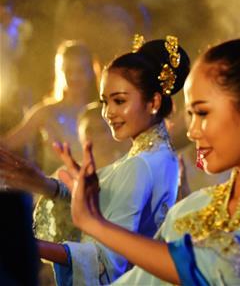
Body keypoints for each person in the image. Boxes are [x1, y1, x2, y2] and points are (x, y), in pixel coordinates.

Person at [66, 22, 240, 285]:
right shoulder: (190, 210)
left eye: (202, 113)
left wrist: (96, 223)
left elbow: (214, 269)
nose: (191, 132)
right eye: (190, 115)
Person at [2, 37, 187, 285]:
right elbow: (105, 197)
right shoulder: (157, 155)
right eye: (105, 102)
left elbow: (105, 261)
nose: (108, 113)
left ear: (153, 102)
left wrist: (22, 243)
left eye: (119, 101)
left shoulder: (139, 165)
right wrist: (48, 186)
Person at [2, 40, 96, 171]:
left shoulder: (102, 112)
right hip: (55, 188)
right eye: (68, 71)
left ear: (91, 72)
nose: (74, 77)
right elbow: (7, 145)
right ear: (59, 72)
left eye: (80, 70)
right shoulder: (46, 112)